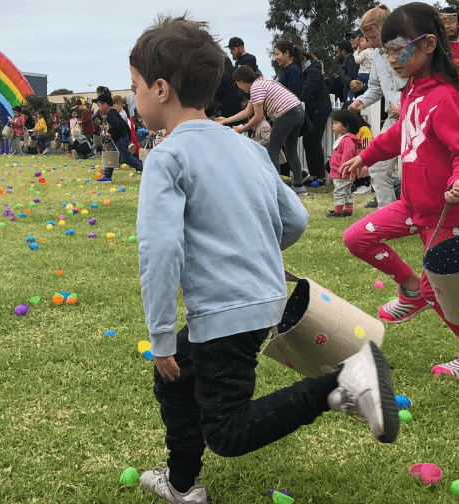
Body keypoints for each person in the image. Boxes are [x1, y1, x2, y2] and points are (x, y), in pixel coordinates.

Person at [129, 16, 398, 503]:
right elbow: (294, 219)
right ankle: (182, 482)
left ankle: (344, 383)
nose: (134, 98)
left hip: (225, 310)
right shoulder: (246, 147)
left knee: (227, 431)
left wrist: (161, 333)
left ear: (161, 89)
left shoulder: (167, 157)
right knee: (175, 378)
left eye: (135, 88)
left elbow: (160, 250)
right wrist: (250, 249)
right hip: (266, 299)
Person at [341, 2, 459, 378]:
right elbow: (401, 133)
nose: (391, 59)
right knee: (357, 238)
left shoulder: (446, 97)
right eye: (386, 51)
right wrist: (365, 156)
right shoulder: (415, 89)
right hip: (413, 205)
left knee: (440, 291)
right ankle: (410, 288)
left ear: (429, 44)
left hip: (446, 213)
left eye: (397, 49)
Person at [349, 4, 407, 209]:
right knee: (377, 166)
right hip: (392, 118)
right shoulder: (377, 56)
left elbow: (417, 84)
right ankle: (387, 212)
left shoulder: (408, 48)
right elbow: (375, 87)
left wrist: (403, 104)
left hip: (412, 116)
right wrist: (361, 101)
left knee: (408, 170)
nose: (371, 43)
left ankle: (411, 213)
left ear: (385, 28)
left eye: (373, 37)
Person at [219, 66, 308, 195]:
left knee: (273, 150)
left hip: (286, 113)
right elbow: (248, 111)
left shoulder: (256, 88)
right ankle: (299, 186)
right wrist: (225, 120)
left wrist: (242, 129)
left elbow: (258, 116)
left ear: (241, 81)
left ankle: (275, 188)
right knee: (291, 150)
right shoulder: (260, 83)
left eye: (236, 83)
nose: (238, 87)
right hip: (298, 110)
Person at [299, 50, 333, 187]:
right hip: (312, 109)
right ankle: (313, 174)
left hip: (320, 110)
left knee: (315, 140)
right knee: (307, 141)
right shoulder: (306, 71)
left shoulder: (313, 71)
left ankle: (320, 177)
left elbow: (305, 92)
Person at [327, 108, 368, 217]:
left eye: (336, 123)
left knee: (339, 191)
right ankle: (348, 210)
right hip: (344, 172)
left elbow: (348, 156)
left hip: (342, 172)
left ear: (346, 126)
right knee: (347, 191)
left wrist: (344, 169)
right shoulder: (346, 139)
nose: (333, 126)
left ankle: (338, 211)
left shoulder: (348, 140)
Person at [97, 94, 143, 178]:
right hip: (120, 137)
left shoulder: (111, 113)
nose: (99, 108)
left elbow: (116, 124)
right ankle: (107, 175)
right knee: (112, 155)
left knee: (126, 158)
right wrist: (129, 137)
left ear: (105, 105)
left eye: (99, 106)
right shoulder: (114, 112)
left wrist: (109, 132)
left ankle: (143, 169)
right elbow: (125, 125)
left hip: (120, 138)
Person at [354, 31, 374, 98]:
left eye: (362, 41)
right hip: (371, 74)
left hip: (362, 74)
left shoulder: (364, 52)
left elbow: (358, 60)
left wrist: (356, 52)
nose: (360, 43)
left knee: (356, 88)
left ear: (369, 41)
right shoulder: (375, 51)